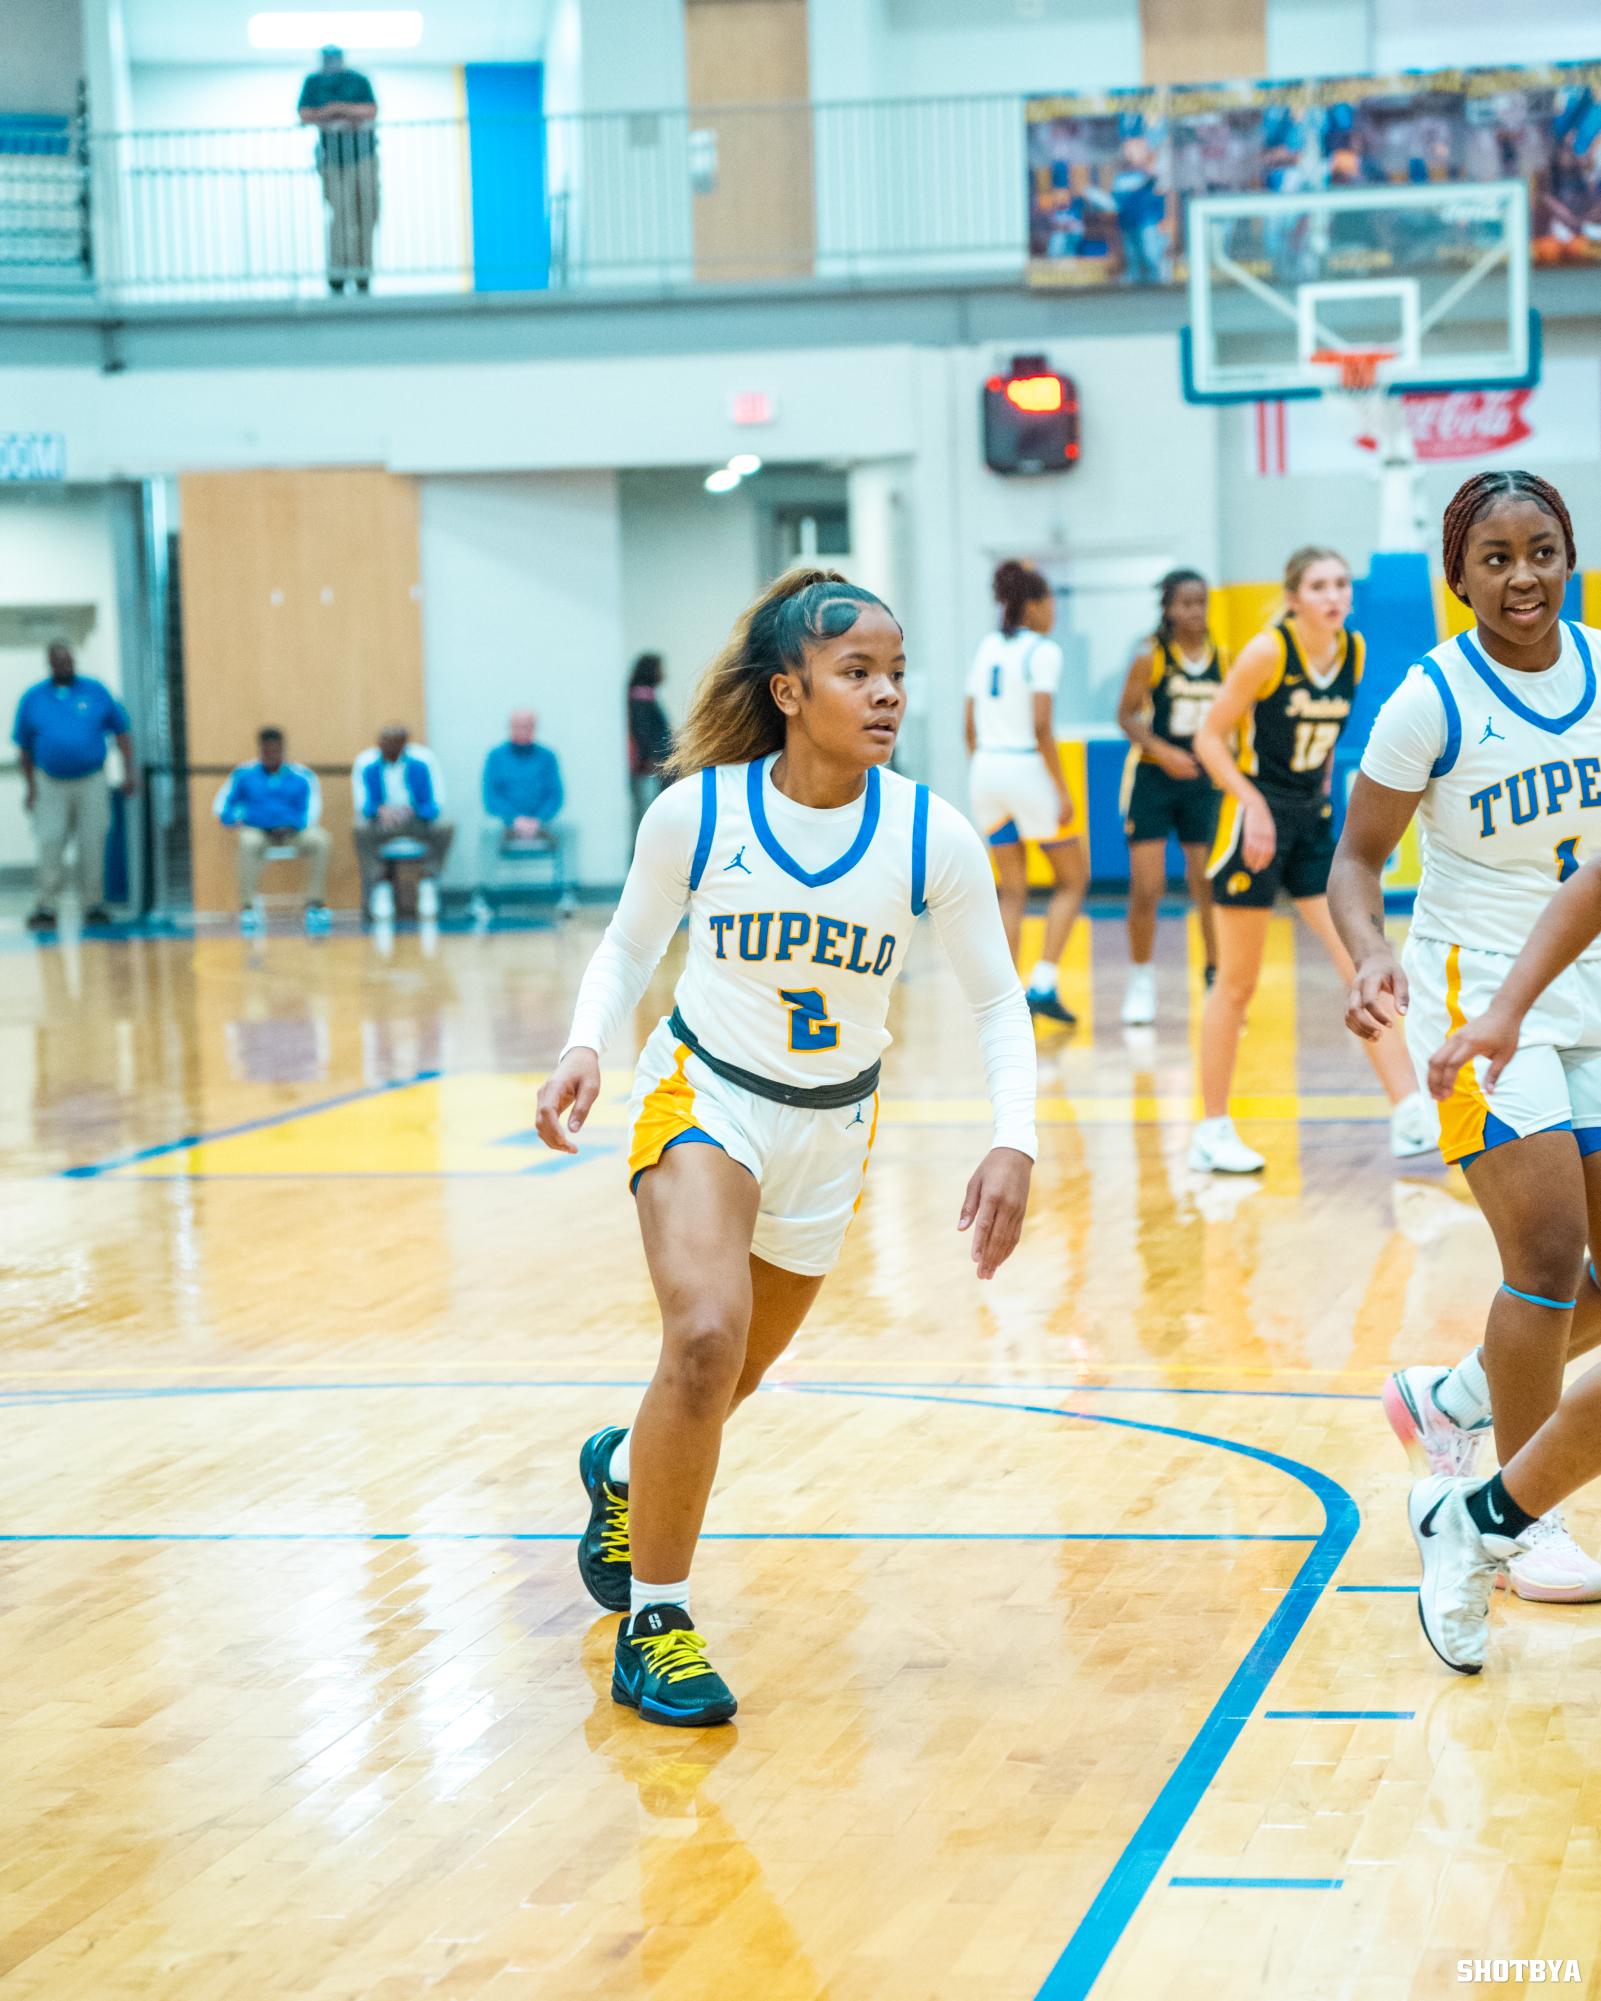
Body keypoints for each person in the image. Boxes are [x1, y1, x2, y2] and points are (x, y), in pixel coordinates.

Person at [535, 568, 1036, 1727]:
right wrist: (583, 1046)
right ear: (788, 690)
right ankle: (655, 1624)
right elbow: (622, 949)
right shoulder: (699, 814)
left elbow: (997, 1006)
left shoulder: (928, 836)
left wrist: (1011, 1140)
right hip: (702, 1094)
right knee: (703, 1339)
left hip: (833, 1127)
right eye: (856, 672)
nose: (886, 695)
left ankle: (621, 1469)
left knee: (726, 1380)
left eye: (896, 673)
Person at [1332, 472, 1601, 1654]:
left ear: (1570, 555)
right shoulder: (1430, 698)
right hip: (1474, 998)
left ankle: (1449, 1404)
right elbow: (1354, 860)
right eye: (1493, 558)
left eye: (1540, 551)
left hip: (1578, 983)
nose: (1521, 577)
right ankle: (1517, 1520)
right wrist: (1366, 955)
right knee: (1543, 1256)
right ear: (1457, 576)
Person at [1190, 544, 1431, 1174]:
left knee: (1362, 957)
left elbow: (1324, 742)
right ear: (1294, 596)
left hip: (1309, 816)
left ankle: (1409, 1111)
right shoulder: (1269, 651)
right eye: (1319, 585)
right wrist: (1253, 804)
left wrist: (1320, 791)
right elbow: (1208, 738)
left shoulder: (1353, 651)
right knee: (1237, 983)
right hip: (1252, 818)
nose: (1333, 596)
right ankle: (1211, 1128)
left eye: (1341, 585)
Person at [964, 559, 1088, 1025]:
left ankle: (1005, 1000)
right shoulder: (1043, 651)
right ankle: (1045, 982)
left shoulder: (987, 648)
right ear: (1034, 604)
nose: (1053, 609)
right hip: (1025, 767)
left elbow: (968, 726)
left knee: (1011, 891)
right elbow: (1041, 723)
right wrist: (1060, 787)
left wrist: (984, 768)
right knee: (1073, 879)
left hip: (986, 769)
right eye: (1050, 600)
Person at [1116, 569, 1224, 1025]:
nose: (1194, 611)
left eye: (1200, 602)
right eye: (1185, 603)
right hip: (1155, 779)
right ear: (1168, 608)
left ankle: (1217, 977)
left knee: (1207, 883)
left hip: (1203, 781)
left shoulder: (1225, 657)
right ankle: (1141, 982)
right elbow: (1125, 716)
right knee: (1148, 887)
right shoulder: (1151, 655)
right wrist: (1165, 753)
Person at [13, 640, 135, 931]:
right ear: (50, 663)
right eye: (59, 661)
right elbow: (24, 749)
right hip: (49, 782)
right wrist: (30, 789)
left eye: (69, 660)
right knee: (50, 842)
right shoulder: (33, 697)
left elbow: (122, 733)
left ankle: (93, 904)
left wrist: (129, 772)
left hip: (91, 780)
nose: (65, 665)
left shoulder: (96, 691)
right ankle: (46, 906)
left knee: (92, 843)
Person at [213, 727, 331, 931]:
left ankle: (315, 904)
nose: (272, 755)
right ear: (261, 750)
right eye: (267, 751)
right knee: (247, 841)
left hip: (293, 832)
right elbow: (222, 806)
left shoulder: (301, 776)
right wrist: (233, 819)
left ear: (283, 749)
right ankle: (248, 907)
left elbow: (312, 810)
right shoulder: (244, 774)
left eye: (276, 751)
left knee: (321, 840)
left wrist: (292, 825)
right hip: (259, 831)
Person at [297, 44, 378, 295]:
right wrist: (337, 113)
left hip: (363, 157)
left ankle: (362, 274)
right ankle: (338, 276)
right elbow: (305, 114)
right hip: (332, 159)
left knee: (366, 213)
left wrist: (335, 110)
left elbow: (370, 111)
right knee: (340, 217)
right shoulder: (313, 82)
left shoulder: (358, 81)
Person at [351, 724, 452, 921]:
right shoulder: (370, 769)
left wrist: (413, 810)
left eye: (395, 742)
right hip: (383, 823)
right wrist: (380, 811)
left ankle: (428, 877)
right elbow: (365, 805)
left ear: (404, 744)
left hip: (414, 821)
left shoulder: (420, 766)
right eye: (385, 742)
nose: (389, 746)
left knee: (445, 827)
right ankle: (379, 882)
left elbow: (432, 804)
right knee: (359, 829)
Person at [483, 710, 563, 838]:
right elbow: (491, 797)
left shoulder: (547, 757)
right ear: (510, 727)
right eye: (518, 725)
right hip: (505, 825)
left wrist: (538, 820)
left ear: (534, 727)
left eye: (527, 726)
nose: (522, 730)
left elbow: (555, 795)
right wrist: (514, 820)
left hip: (542, 824)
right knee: (489, 831)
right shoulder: (496, 757)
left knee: (566, 832)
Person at [628, 653, 672, 834]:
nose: (664, 674)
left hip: (654, 764)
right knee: (648, 813)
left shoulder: (644, 697)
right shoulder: (640, 699)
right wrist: (652, 758)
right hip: (648, 766)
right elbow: (644, 733)